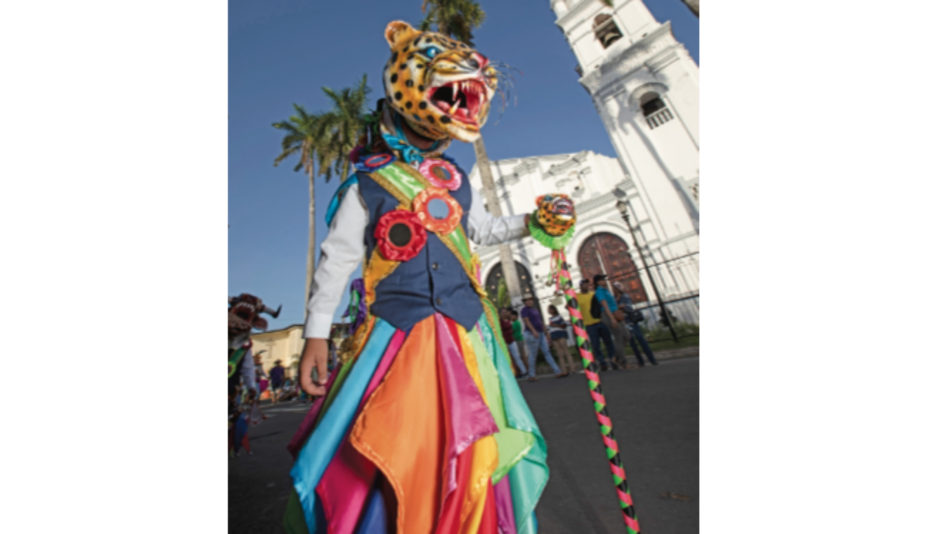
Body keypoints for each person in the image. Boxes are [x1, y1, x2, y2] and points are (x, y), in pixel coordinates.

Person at [287, 21, 577, 534]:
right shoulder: (368, 183)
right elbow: (336, 262)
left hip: (468, 335)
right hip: (401, 337)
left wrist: (535, 224)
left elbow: (481, 230)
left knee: (475, 457)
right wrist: (314, 335)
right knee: (405, 450)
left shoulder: (456, 177)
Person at [576, 278, 618, 372]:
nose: (586, 285)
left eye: (587, 284)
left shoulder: (593, 294)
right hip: (589, 324)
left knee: (608, 342)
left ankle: (613, 360)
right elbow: (570, 307)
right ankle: (603, 363)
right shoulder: (577, 296)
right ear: (580, 286)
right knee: (596, 345)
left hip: (600, 321)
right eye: (584, 284)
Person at [615, 282, 659, 367]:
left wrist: (621, 307)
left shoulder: (625, 296)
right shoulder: (614, 298)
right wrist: (620, 307)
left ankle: (652, 359)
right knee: (632, 342)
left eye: (616, 288)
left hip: (630, 320)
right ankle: (640, 361)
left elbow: (628, 307)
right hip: (623, 321)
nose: (615, 290)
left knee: (640, 338)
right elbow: (614, 309)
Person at [521, 296, 563, 381]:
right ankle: (531, 375)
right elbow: (526, 320)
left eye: (530, 300)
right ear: (525, 302)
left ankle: (557, 371)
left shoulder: (535, 310)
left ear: (532, 300)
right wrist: (533, 331)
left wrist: (546, 332)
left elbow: (540, 321)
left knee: (546, 351)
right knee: (533, 354)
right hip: (531, 333)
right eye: (527, 300)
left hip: (540, 333)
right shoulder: (524, 310)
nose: (528, 302)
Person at [594, 275, 630, 370]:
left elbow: (612, 303)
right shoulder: (599, 291)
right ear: (597, 282)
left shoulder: (606, 290)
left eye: (604, 279)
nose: (604, 281)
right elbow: (605, 306)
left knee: (627, 335)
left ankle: (616, 357)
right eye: (602, 280)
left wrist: (618, 309)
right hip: (608, 315)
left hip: (616, 313)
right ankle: (624, 362)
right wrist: (612, 319)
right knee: (618, 337)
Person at [548, 305, 575, 377]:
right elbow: (550, 329)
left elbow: (564, 325)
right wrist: (550, 340)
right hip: (554, 336)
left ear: (554, 310)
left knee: (566, 351)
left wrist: (555, 325)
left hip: (561, 334)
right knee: (560, 354)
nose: (549, 311)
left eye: (550, 309)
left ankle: (572, 369)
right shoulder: (550, 319)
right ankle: (564, 370)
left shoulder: (559, 317)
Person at [500, 308, 528, 379]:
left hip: (512, 341)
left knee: (517, 357)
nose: (504, 313)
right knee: (507, 358)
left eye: (505, 312)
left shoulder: (510, 320)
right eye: (503, 312)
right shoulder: (500, 322)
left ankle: (524, 371)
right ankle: (511, 374)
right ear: (500, 314)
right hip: (505, 342)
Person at [510, 307, 529, 376]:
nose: (511, 317)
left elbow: (511, 330)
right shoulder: (515, 323)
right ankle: (526, 370)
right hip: (519, 340)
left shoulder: (515, 323)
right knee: (522, 356)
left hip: (519, 341)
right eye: (511, 315)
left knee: (522, 356)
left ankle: (526, 370)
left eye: (512, 315)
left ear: (516, 316)